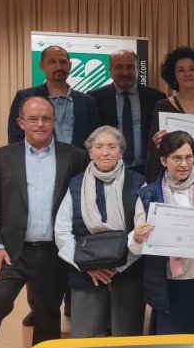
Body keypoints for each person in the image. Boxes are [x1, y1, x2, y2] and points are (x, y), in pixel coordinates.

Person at [0, 97, 88, 348]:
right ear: (21, 123)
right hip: (11, 251)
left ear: (54, 121)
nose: (40, 124)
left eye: (46, 118)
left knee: (47, 313)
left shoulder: (75, 156)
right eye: (33, 119)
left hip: (52, 252)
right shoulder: (2, 157)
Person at [129, 131, 194, 348]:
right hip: (168, 282)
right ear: (163, 160)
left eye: (189, 157)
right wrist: (138, 236)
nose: (184, 164)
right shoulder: (148, 194)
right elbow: (137, 242)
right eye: (176, 158)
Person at [54, 126, 146, 337]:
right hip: (86, 273)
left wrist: (119, 266)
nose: (105, 152)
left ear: (121, 152)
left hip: (127, 270)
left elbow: (143, 230)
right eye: (99, 147)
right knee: (86, 339)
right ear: (90, 152)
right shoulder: (75, 184)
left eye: (112, 147)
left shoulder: (138, 182)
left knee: (126, 339)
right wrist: (87, 267)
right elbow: (62, 232)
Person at [88, 50, 167, 174]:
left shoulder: (156, 98)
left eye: (130, 67)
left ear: (138, 69)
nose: (125, 72)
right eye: (119, 67)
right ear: (110, 71)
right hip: (109, 170)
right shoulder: (95, 98)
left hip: (146, 170)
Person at [7, 46, 101, 149]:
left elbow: (95, 140)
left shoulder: (88, 102)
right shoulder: (25, 97)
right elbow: (15, 139)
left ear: (70, 66)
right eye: (52, 62)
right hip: (38, 162)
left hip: (79, 163)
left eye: (63, 62)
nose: (59, 67)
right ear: (41, 65)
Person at [144, 46, 194, 183]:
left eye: (192, 69)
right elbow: (153, 153)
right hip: (174, 178)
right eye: (181, 70)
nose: (187, 73)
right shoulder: (163, 106)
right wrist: (157, 143)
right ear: (173, 76)